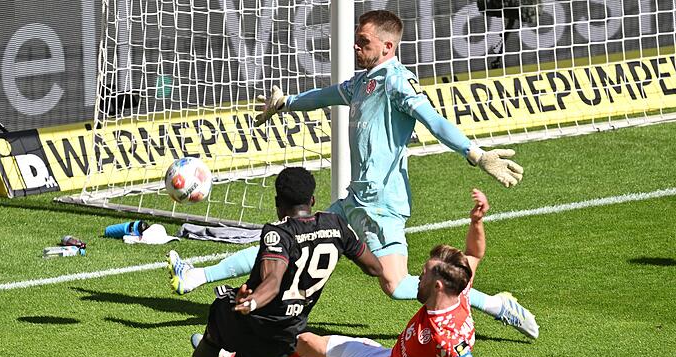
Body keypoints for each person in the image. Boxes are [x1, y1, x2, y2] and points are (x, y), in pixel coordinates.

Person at [167, 9, 538, 339]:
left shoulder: (397, 82)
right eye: (356, 41)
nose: (356, 48)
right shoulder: (363, 81)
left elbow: (434, 121)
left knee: (394, 285)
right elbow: (329, 94)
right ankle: (196, 276)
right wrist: (288, 103)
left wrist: (476, 154)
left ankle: (493, 304)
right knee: (283, 242)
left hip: (382, 206)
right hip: (353, 200)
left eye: (364, 42)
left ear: (388, 47)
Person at [158, 167, 382, 357]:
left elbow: (273, 282)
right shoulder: (336, 224)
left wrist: (251, 302)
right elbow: (374, 267)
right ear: (312, 200)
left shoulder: (279, 233)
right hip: (288, 331)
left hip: (253, 316)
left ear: (278, 203)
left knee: (213, 335)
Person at [275, 189, 511, 357]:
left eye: (424, 274)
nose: (419, 276)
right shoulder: (460, 290)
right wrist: (476, 221)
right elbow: (474, 254)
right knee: (305, 341)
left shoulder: (446, 340)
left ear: (438, 287)